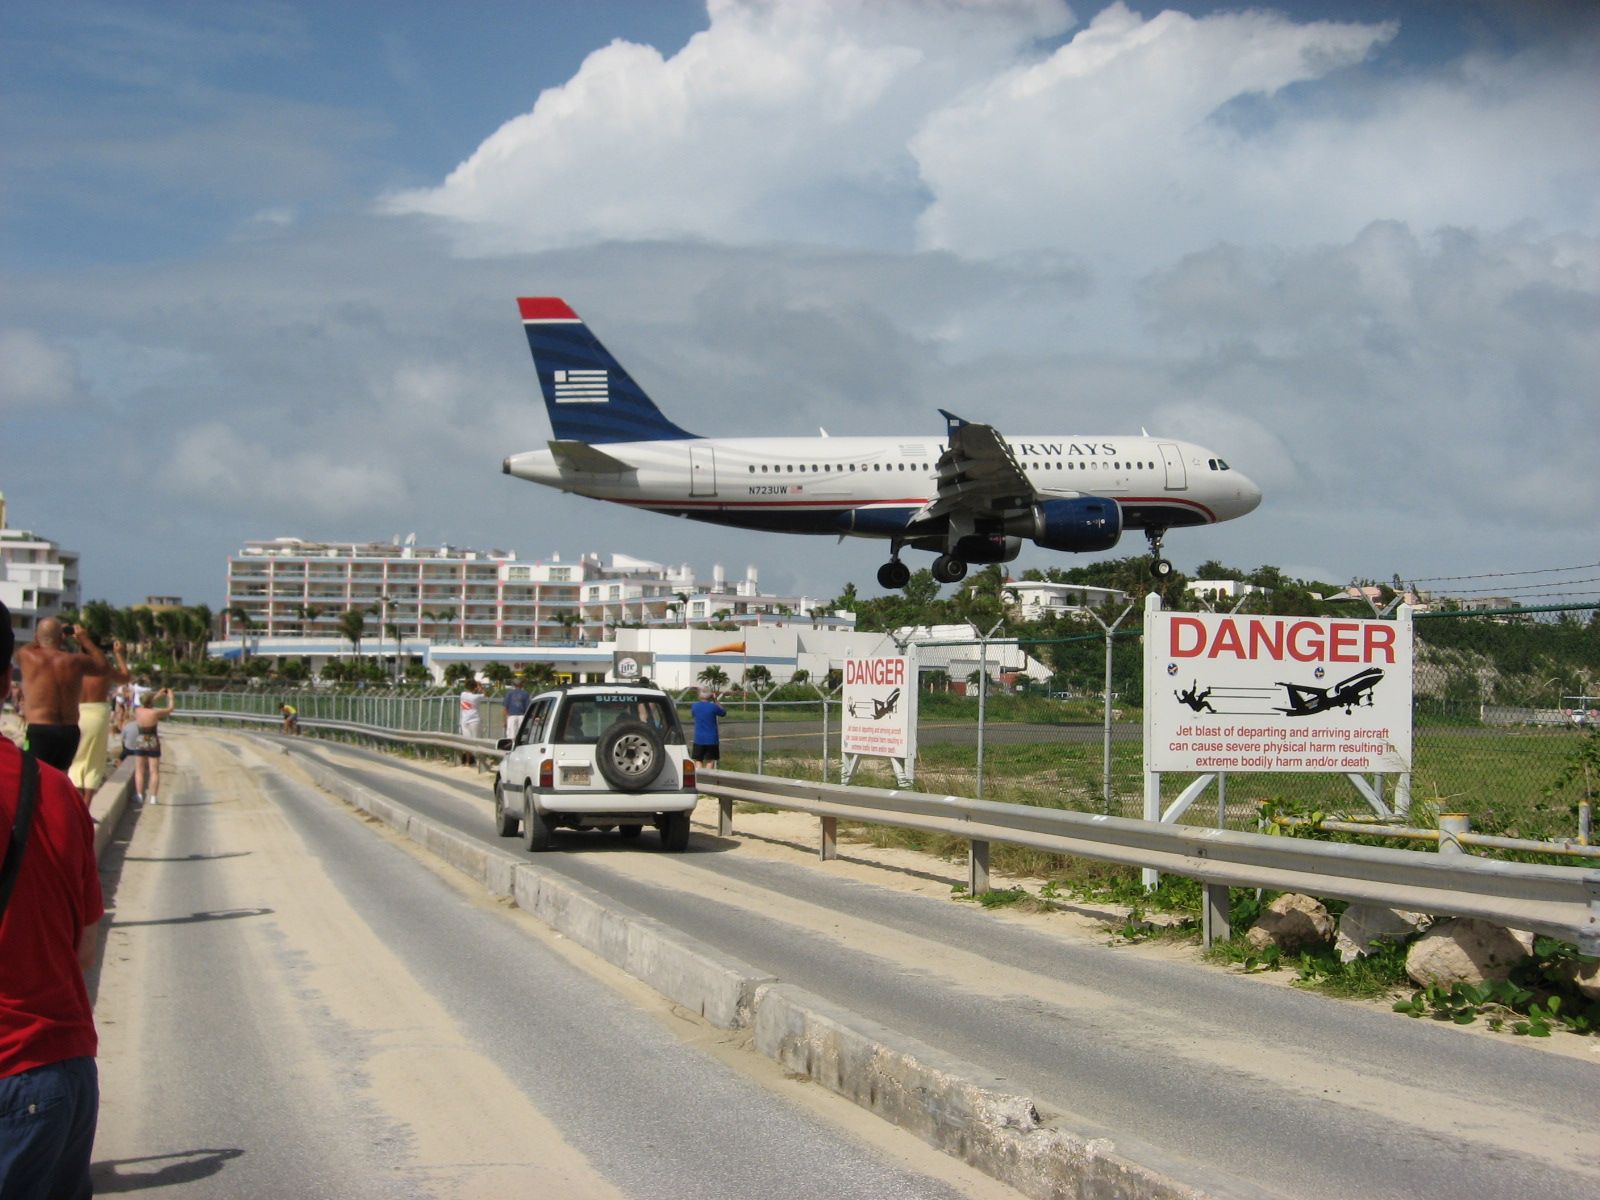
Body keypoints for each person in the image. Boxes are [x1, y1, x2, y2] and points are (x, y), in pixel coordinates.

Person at [0, 601, 105, 1200]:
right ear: (7, 681)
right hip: (62, 1073)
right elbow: (84, 948)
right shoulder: (61, 798)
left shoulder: (43, 661)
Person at [16, 618, 108, 774]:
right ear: (61, 637)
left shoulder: (27, 656)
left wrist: (44, 635)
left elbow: (30, 645)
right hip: (69, 731)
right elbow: (103, 667)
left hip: (40, 730)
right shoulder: (76, 661)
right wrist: (85, 640)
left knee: (33, 779)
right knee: (60, 778)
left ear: (37, 636)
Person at [69, 638, 129, 800]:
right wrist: (119, 654)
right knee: (93, 763)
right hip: (97, 713)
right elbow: (125, 677)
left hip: (75, 712)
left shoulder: (73, 666)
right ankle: (86, 810)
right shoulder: (103, 669)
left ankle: (75, 806)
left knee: (75, 760)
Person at [123, 687, 175, 805]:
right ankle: (153, 797)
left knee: (140, 770)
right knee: (154, 771)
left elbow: (146, 702)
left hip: (141, 740)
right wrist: (170, 697)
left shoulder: (138, 711)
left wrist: (156, 695)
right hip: (153, 740)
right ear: (151, 702)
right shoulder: (155, 712)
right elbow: (170, 709)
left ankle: (140, 795)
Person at [689, 687, 726, 768]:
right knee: (710, 760)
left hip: (699, 739)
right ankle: (707, 778)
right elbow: (723, 712)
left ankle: (699, 778)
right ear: (710, 696)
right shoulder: (713, 707)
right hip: (711, 739)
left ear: (699, 695)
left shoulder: (695, 706)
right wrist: (715, 700)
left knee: (698, 760)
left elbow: (692, 714)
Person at [458, 679, 484, 766]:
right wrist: (481, 688)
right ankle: (479, 762)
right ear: (475, 687)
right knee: (477, 741)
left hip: (464, 721)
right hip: (474, 721)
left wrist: (476, 687)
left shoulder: (462, 694)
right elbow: (486, 695)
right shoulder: (476, 697)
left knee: (467, 742)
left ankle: (468, 762)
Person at [502, 677, 531, 743]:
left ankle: (511, 748)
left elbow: (505, 708)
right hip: (522, 716)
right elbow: (528, 708)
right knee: (522, 736)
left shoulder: (509, 693)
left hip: (511, 716)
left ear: (513, 685)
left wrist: (505, 721)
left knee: (511, 736)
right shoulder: (525, 693)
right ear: (521, 685)